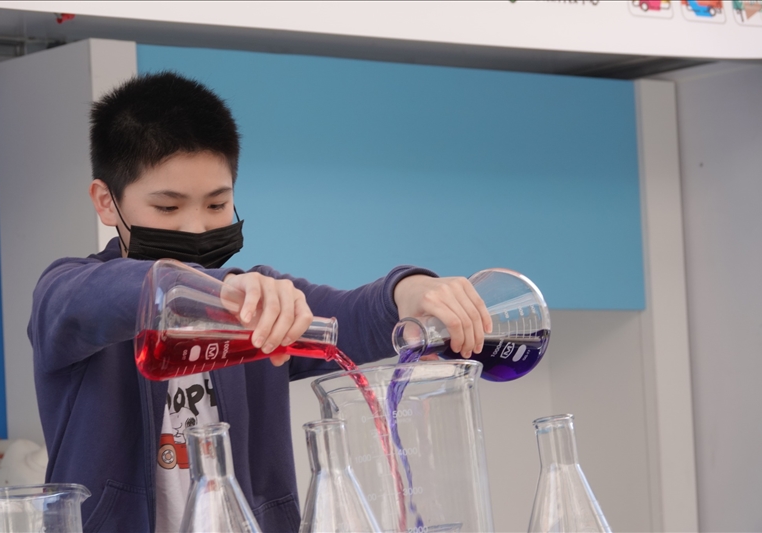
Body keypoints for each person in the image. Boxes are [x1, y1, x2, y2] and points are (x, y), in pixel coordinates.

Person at [28, 72, 491, 533]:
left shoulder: (260, 299)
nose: (196, 228)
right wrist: (223, 290)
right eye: (168, 207)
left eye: (216, 205)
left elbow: (354, 317)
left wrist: (406, 291)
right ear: (106, 202)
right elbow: (105, 297)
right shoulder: (66, 293)